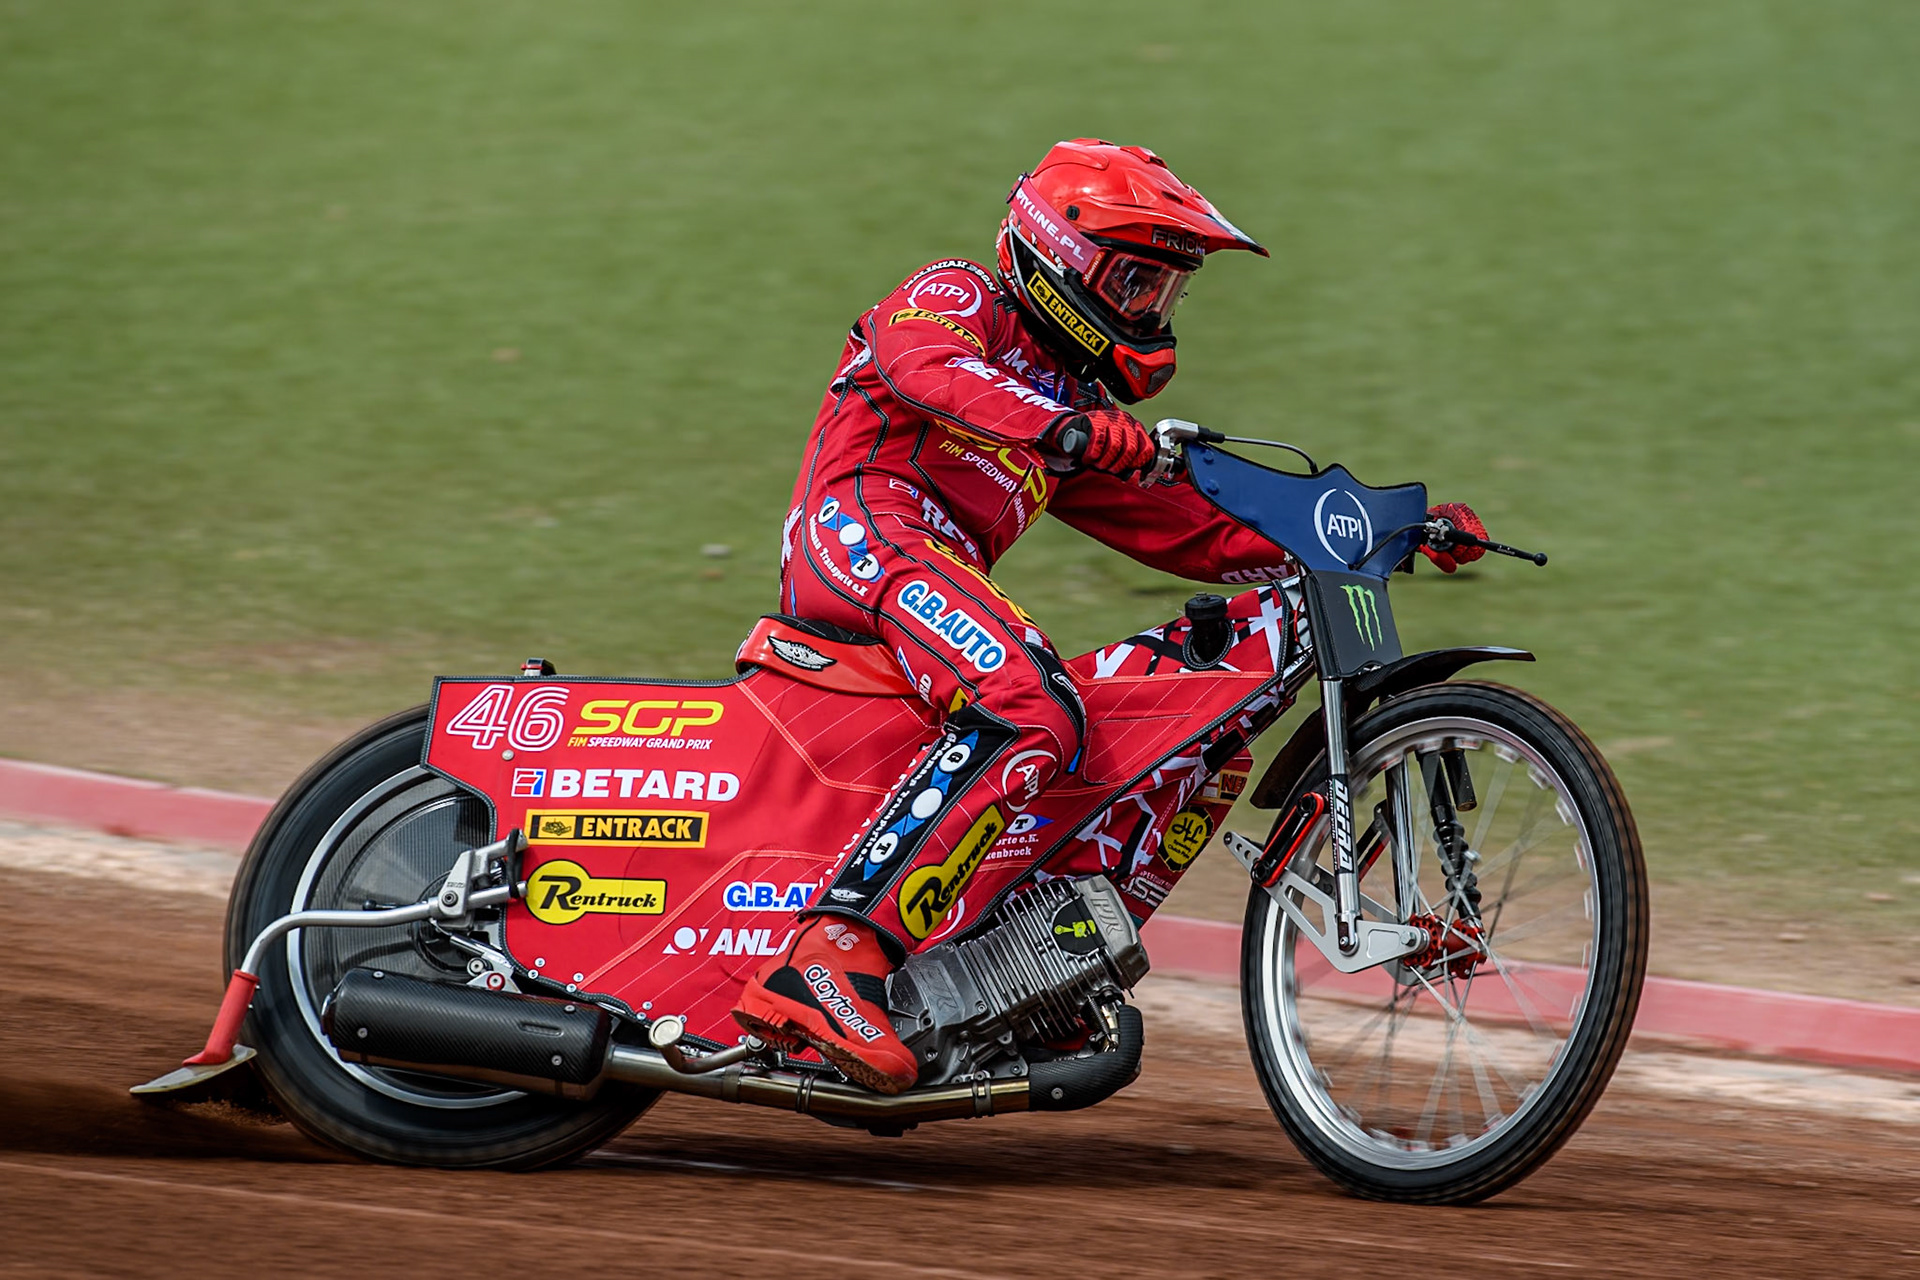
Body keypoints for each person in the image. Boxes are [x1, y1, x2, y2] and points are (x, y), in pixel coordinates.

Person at [732, 139, 1487, 1092]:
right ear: (1058, 256)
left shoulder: (1071, 402)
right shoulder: (959, 294)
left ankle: (1017, 978)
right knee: (1033, 705)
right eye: (1134, 281)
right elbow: (929, 370)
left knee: (1203, 752)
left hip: (930, 560)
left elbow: (1194, 532)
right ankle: (829, 958)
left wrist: (1381, 534)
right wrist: (1067, 428)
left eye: (1166, 292)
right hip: (860, 535)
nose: (1151, 312)